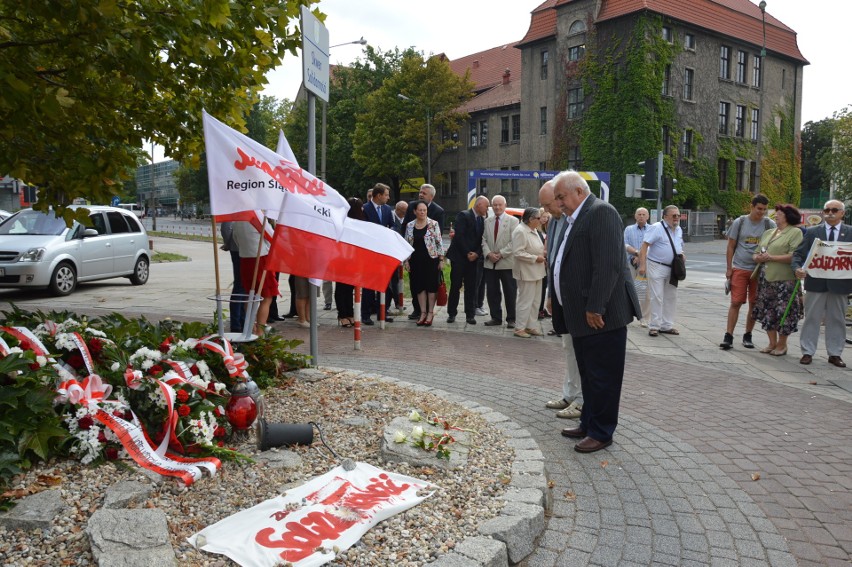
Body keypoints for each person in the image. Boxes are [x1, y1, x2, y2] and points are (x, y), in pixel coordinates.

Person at [551, 171, 640, 453]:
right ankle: (589, 422)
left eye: (561, 197)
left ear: (578, 191)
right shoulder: (576, 216)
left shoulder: (601, 212)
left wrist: (595, 306)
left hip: (600, 315)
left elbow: (609, 264)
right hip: (581, 314)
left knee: (603, 376)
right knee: (589, 375)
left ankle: (602, 431)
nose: (560, 203)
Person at [539, 181, 583, 419]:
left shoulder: (575, 219)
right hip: (559, 294)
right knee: (568, 346)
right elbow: (552, 258)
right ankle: (570, 393)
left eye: (548, 204)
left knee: (581, 349)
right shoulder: (555, 221)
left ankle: (582, 399)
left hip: (576, 297)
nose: (546, 210)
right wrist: (550, 294)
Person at [793, 199, 852, 367]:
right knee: (812, 317)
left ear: (842, 213)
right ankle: (807, 351)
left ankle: (835, 353)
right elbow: (798, 254)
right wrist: (797, 268)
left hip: (840, 283)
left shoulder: (850, 233)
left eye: (834, 210)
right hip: (816, 281)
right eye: (827, 210)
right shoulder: (812, 232)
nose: (830, 213)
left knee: (837, 319)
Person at [721, 194, 774, 350]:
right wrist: (729, 268)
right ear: (752, 207)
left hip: (758, 269)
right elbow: (731, 246)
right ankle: (728, 335)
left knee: (754, 303)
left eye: (764, 209)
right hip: (740, 267)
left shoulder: (768, 224)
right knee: (736, 302)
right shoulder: (740, 222)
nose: (761, 212)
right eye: (759, 209)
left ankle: (748, 335)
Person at [751, 204, 803, 356]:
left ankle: (782, 345)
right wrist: (758, 257)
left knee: (784, 313)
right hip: (766, 279)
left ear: (788, 215)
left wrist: (771, 257)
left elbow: (795, 255)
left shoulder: (795, 232)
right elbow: (755, 253)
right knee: (767, 311)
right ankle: (771, 343)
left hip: (785, 280)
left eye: (779, 213)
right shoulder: (768, 232)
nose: (776, 215)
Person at [638, 205, 685, 337]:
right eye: (674, 215)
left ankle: (666, 325)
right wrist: (642, 265)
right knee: (657, 296)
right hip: (656, 266)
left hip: (672, 268)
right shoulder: (657, 228)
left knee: (671, 296)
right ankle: (654, 326)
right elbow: (644, 246)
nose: (676, 218)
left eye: (678, 215)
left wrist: (681, 254)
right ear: (665, 217)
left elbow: (678, 245)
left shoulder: (679, 229)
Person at [401, 184, 445, 321]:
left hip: (430, 259)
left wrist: (441, 259)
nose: (422, 212)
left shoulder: (433, 224)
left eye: (424, 210)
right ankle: (422, 312)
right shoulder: (409, 225)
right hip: (416, 260)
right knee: (419, 286)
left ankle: (430, 313)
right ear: (415, 211)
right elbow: (407, 243)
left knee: (431, 286)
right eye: (420, 210)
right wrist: (406, 260)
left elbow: (439, 242)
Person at [232, 220, 279, 337]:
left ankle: (250, 326)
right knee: (267, 297)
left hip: (245, 258)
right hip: (261, 258)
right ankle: (260, 330)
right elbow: (272, 236)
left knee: (250, 295)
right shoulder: (257, 217)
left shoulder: (238, 220)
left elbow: (235, 239)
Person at [446, 196, 488, 325]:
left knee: (471, 287)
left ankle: (470, 315)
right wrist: (467, 253)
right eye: (486, 206)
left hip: (474, 259)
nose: (487, 209)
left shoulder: (482, 220)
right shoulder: (464, 215)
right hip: (459, 258)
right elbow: (459, 236)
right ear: (479, 204)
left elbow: (483, 239)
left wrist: (476, 253)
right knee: (455, 286)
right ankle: (452, 313)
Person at [482, 195, 519, 328]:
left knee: (510, 291)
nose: (497, 207)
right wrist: (488, 254)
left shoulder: (513, 221)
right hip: (490, 263)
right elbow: (483, 239)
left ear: (505, 205)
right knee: (492, 292)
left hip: (506, 262)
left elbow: (514, 241)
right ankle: (496, 318)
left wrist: (501, 254)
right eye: (495, 205)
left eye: (500, 204)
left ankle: (511, 319)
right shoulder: (487, 221)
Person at [361, 183, 395, 326]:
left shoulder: (387, 209)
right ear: (379, 195)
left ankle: (383, 312)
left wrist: (390, 230)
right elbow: (361, 227)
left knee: (385, 284)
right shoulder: (365, 209)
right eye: (386, 195)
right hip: (370, 252)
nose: (388, 198)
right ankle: (366, 314)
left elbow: (392, 225)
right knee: (369, 285)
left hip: (384, 252)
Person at [511, 207, 547, 338]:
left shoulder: (534, 230)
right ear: (530, 219)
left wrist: (542, 254)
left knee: (536, 301)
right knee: (525, 301)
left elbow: (536, 247)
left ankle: (531, 325)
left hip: (537, 270)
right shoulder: (520, 231)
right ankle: (519, 328)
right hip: (526, 271)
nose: (541, 220)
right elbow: (518, 252)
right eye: (538, 218)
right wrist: (535, 258)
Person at [335, 198, 365, 327]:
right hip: (342, 259)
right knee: (341, 287)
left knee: (350, 287)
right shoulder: (342, 222)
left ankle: (349, 312)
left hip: (354, 259)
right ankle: (342, 314)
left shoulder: (360, 223)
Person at [623, 207, 651, 326]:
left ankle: (644, 318)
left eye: (643, 214)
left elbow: (652, 245)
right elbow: (624, 244)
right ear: (635, 216)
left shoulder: (652, 229)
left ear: (648, 216)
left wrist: (641, 257)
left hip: (646, 264)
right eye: (639, 214)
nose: (641, 216)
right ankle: (626, 316)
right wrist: (636, 253)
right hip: (631, 263)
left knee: (646, 292)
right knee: (628, 290)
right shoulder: (628, 229)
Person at [219, 221, 246, 333]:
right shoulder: (234, 208)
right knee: (240, 286)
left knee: (244, 286)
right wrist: (229, 244)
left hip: (247, 250)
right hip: (238, 249)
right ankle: (236, 323)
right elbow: (226, 228)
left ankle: (242, 320)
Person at [391, 200, 409, 313]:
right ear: (397, 210)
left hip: (401, 253)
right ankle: (397, 301)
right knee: (393, 279)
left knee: (397, 278)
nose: (405, 214)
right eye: (403, 212)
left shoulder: (405, 220)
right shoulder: (391, 217)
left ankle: (398, 301)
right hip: (392, 252)